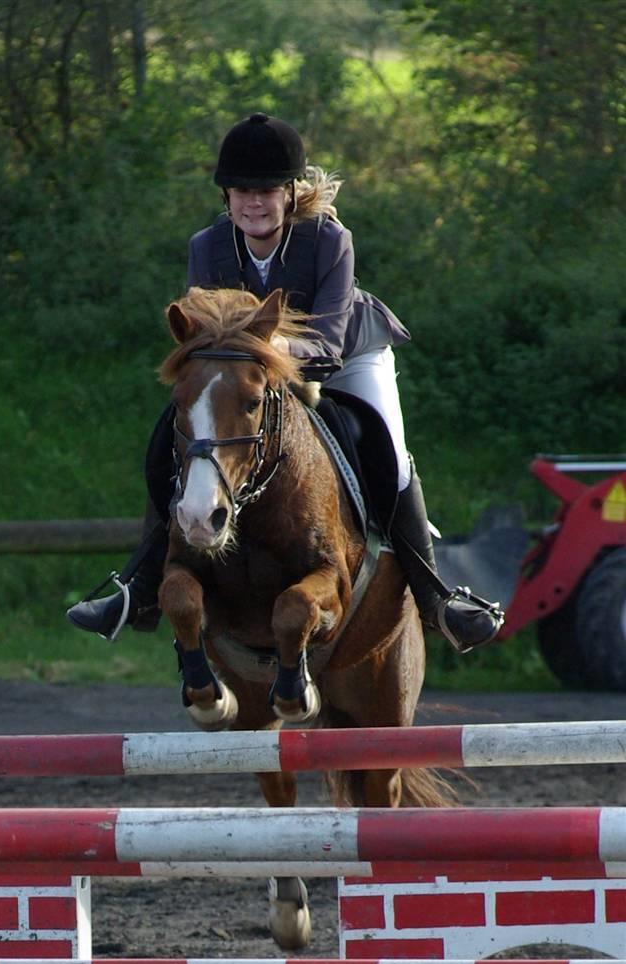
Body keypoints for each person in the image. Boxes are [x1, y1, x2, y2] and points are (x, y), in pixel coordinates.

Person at [68, 112, 503, 652]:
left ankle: (437, 598)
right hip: (249, 370)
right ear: (226, 197)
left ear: (290, 194)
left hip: (346, 355)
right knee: (175, 439)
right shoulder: (207, 246)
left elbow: (327, 344)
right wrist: (239, 361)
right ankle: (139, 586)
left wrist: (267, 349)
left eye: (267, 190)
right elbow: (202, 339)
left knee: (389, 451)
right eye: (242, 190)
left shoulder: (329, 240)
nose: (254, 202)